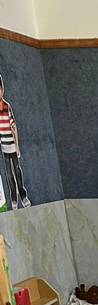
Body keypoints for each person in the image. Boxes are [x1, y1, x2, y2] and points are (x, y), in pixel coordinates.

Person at [0, 74, 30, 209]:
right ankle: (13, 198)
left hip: (12, 145)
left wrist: (17, 146)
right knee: (9, 174)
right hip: (4, 148)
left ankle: (23, 196)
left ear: (2, 89)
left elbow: (14, 127)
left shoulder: (7, 106)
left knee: (17, 171)